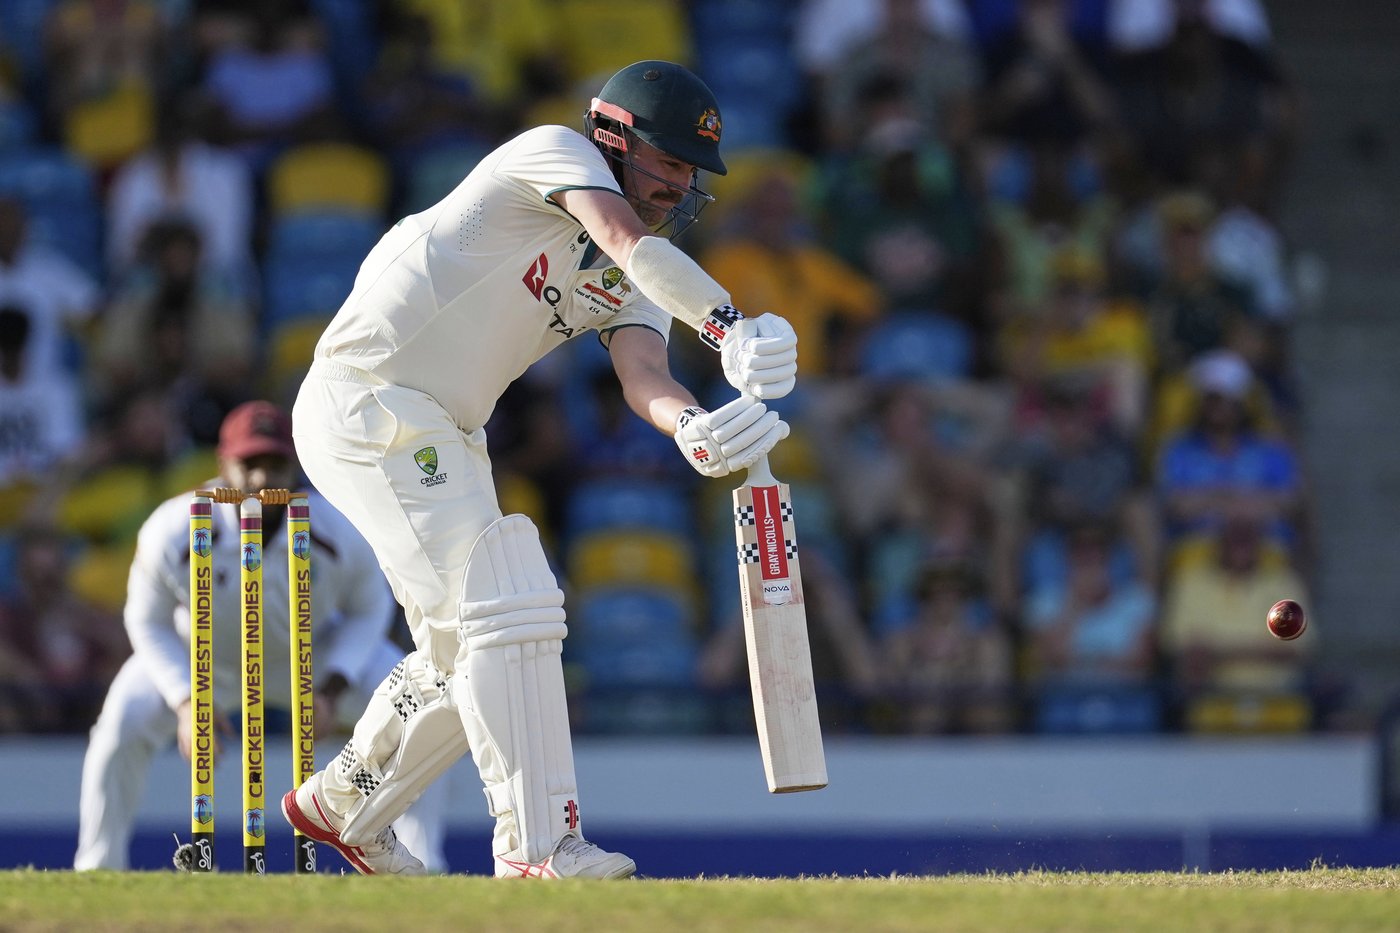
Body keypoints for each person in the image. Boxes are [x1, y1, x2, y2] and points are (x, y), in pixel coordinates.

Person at [286, 60, 799, 879]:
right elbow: (630, 242)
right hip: (370, 395)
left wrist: (693, 426)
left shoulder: (635, 266)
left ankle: (344, 802)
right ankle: (537, 847)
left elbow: (645, 378)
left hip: (448, 428)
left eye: (689, 171)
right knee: (510, 606)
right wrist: (730, 324)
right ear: (612, 138)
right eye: (667, 161)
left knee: (474, 643)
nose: (679, 185)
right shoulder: (552, 153)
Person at [74, 401, 445, 873]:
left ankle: (425, 868)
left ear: (293, 464)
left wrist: (331, 686)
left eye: (274, 463)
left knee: (413, 716)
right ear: (222, 462)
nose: (262, 477)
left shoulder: (336, 528)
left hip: (311, 661)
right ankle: (96, 866)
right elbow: (145, 620)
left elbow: (370, 607)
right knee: (121, 724)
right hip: (207, 661)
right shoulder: (174, 528)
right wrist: (185, 699)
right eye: (250, 463)